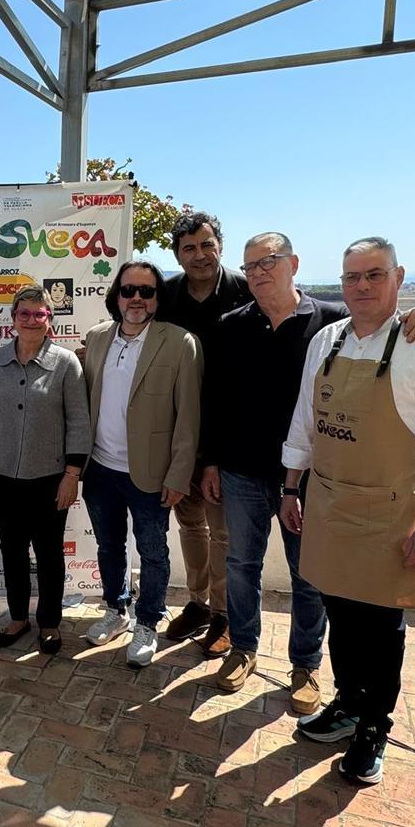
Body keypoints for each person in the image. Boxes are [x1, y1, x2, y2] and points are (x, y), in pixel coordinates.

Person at [200, 234, 415, 713]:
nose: (258, 273)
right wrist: (210, 460)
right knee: (240, 565)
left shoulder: (329, 322)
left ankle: (305, 665)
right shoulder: (230, 326)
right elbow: (215, 400)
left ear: (293, 263)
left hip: (312, 481)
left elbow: (382, 323)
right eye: (249, 267)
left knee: (309, 575)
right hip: (242, 473)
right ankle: (243, 648)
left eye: (268, 262)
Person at [280, 237, 415, 786]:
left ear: (398, 276)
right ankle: (347, 704)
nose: (361, 286)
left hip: (392, 512)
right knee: (340, 609)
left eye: (374, 275)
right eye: (351, 277)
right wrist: (292, 486)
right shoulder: (326, 342)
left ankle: (374, 729)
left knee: (382, 622)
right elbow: (305, 420)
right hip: (332, 502)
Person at [81, 261, 202, 668]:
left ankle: (148, 622)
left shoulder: (180, 342)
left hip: (151, 473)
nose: (137, 298)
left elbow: (188, 416)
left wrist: (179, 474)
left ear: (157, 298)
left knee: (153, 552)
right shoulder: (97, 338)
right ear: (117, 295)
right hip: (99, 469)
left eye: (146, 291)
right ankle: (116, 610)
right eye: (129, 290)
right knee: (108, 545)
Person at [0, 285, 90, 655]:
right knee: (12, 550)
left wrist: (72, 474)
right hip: (4, 475)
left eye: (40, 314)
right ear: (13, 319)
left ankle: (50, 622)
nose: (32, 320)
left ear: (49, 320)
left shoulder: (66, 363)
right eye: (25, 314)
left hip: (51, 479)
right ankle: (18, 617)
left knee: (51, 552)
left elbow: (79, 422)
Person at [159, 211, 247, 658]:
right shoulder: (167, 296)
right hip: (179, 437)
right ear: (177, 254)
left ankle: (224, 614)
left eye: (207, 245)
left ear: (220, 247)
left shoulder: (246, 291)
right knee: (190, 524)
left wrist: (403, 320)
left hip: (228, 436)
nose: (199, 255)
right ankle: (197, 604)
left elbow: (311, 313)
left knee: (224, 533)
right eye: (189, 248)